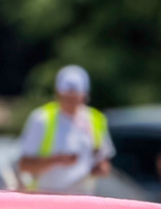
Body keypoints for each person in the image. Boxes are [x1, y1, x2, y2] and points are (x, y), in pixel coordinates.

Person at [15, 65, 111, 194]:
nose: (70, 101)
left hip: (83, 200)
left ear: (84, 95)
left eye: (75, 96)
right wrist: (57, 160)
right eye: (67, 95)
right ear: (58, 93)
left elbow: (104, 162)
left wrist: (100, 168)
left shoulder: (96, 119)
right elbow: (24, 165)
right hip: (46, 198)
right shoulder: (42, 118)